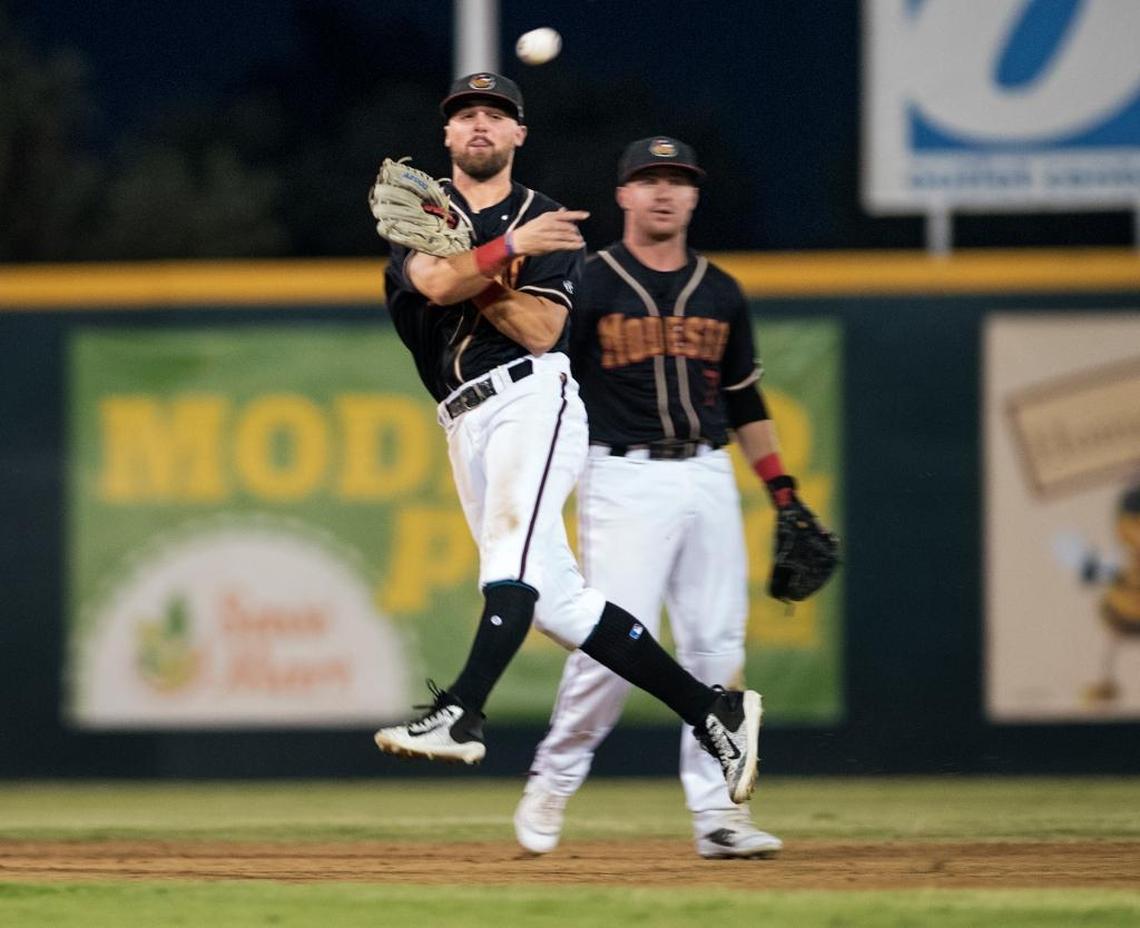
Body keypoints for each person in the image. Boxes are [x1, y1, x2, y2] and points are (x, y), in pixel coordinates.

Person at [372, 76, 763, 809]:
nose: (479, 124)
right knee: (560, 605)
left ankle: (461, 710)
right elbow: (430, 282)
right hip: (461, 418)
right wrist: (504, 254)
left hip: (531, 394)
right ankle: (718, 713)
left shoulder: (546, 217)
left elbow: (543, 331)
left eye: (496, 115)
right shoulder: (428, 212)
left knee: (510, 553)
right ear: (447, 139)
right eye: (465, 116)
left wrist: (477, 265)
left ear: (520, 135)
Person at [514, 137, 813, 860]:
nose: (663, 192)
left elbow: (745, 399)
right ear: (623, 195)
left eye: (677, 180)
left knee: (719, 645)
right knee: (613, 646)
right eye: (648, 179)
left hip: (709, 473)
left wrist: (782, 491)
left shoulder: (721, 290)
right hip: (621, 473)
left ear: (695, 196)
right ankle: (551, 782)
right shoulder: (588, 282)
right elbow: (548, 384)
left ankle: (719, 817)